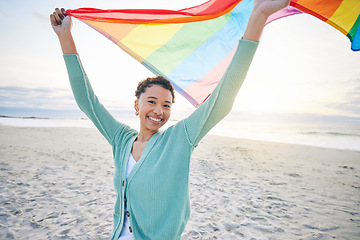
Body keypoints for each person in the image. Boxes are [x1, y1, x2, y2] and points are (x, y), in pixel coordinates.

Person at [50, 0, 290, 239]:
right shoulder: (121, 140)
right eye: (152, 102)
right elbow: (87, 101)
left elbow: (222, 100)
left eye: (166, 105)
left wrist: (258, 15)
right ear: (137, 105)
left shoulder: (179, 138)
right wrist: (65, 36)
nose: (159, 110)